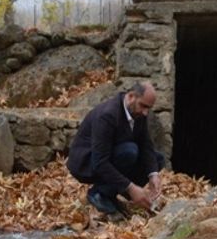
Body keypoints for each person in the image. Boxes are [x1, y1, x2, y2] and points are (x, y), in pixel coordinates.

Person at [66, 81, 163, 216]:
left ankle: (113, 192)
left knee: (157, 160)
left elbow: (145, 144)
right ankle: (99, 193)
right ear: (131, 96)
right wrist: (131, 187)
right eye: (143, 106)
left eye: (149, 108)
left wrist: (153, 175)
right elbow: (99, 162)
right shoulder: (107, 115)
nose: (146, 112)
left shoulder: (138, 112)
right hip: (86, 163)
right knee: (130, 151)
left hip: (112, 156)